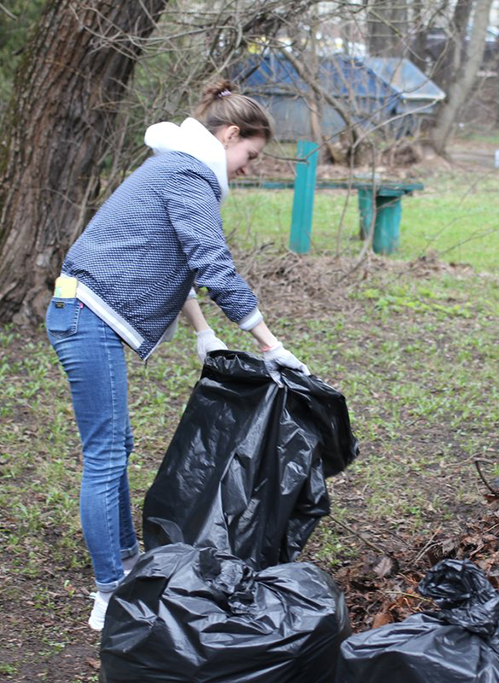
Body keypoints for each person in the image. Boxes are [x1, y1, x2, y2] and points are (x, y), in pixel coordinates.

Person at [45, 79, 309, 631]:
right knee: (105, 455)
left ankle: (126, 563)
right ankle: (109, 594)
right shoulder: (189, 174)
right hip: (85, 315)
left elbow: (178, 261)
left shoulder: (178, 167)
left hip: (83, 313)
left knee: (116, 446)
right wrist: (271, 344)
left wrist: (202, 332)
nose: (249, 167)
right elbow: (213, 265)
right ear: (230, 134)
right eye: (250, 154)